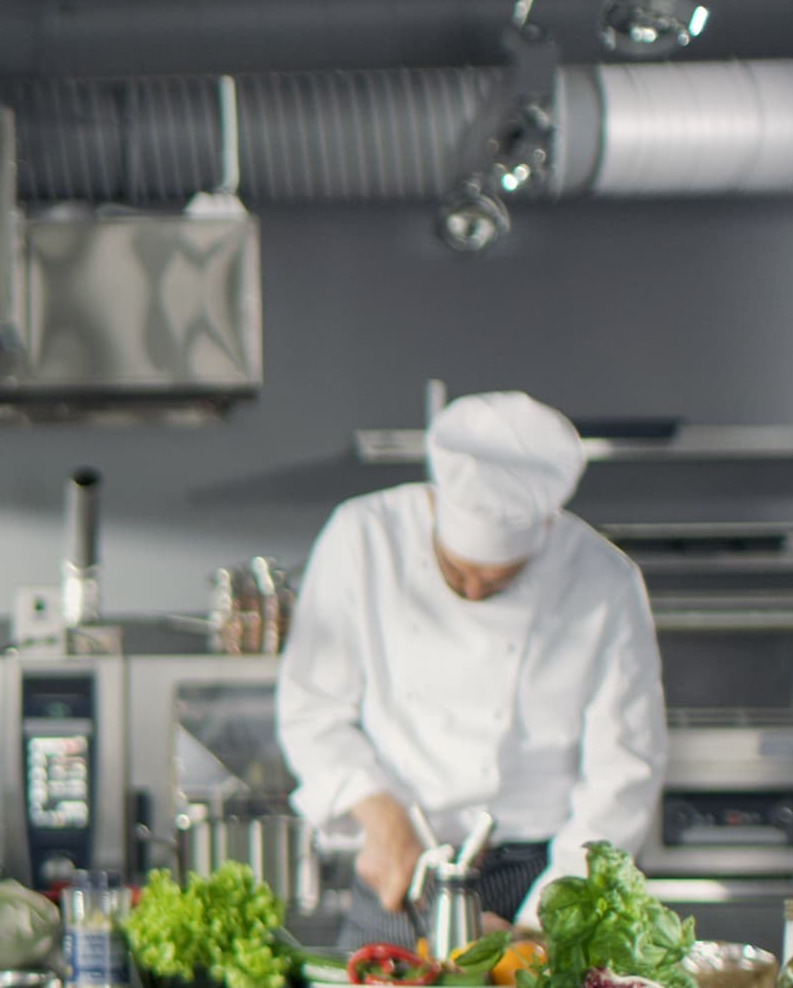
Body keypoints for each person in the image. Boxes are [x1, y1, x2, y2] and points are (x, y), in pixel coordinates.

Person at [278, 391, 664, 949]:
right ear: (435, 505)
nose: (476, 590)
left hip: (542, 873)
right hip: (402, 863)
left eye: (501, 579)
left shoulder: (606, 581)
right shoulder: (364, 536)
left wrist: (542, 926)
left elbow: (623, 773)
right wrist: (378, 812)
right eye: (457, 575)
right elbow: (310, 709)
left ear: (548, 527)